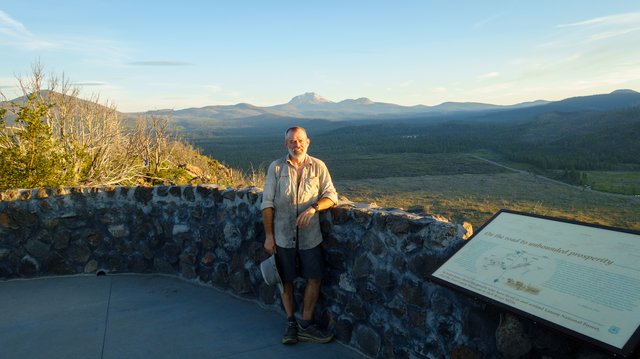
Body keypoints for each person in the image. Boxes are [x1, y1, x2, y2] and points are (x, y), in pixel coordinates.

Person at [261, 126, 338, 345]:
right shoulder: (275, 168)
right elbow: (267, 204)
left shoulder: (318, 166)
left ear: (308, 142)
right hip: (283, 236)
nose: (297, 145)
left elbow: (331, 195)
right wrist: (269, 236)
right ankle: (291, 323)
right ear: (286, 144)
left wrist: (314, 208)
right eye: (292, 142)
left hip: (310, 236)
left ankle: (305, 325)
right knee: (285, 280)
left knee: (314, 278)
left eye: (300, 141)